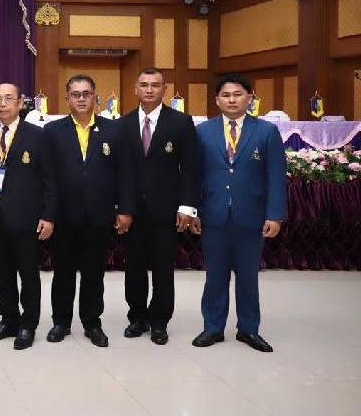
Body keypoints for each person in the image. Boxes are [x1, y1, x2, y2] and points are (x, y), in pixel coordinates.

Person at [191, 73, 286, 353]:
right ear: (217, 100)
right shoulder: (203, 131)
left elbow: (276, 177)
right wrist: (193, 211)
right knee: (215, 276)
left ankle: (248, 329)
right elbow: (195, 176)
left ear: (250, 98)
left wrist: (275, 214)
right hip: (213, 214)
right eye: (226, 95)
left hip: (252, 216)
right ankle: (212, 328)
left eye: (238, 94)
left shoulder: (266, 132)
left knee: (248, 276)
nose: (232, 100)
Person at [43, 74, 135, 348]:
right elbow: (47, 177)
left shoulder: (114, 130)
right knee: (63, 272)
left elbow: (125, 174)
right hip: (64, 216)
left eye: (86, 93)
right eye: (75, 94)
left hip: (99, 215)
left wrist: (125, 209)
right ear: (67, 97)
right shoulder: (53, 131)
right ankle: (61, 322)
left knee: (94, 273)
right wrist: (47, 212)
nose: (81, 98)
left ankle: (92, 322)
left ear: (96, 96)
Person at [118, 68, 200, 345]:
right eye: (144, 85)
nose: (149, 90)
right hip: (132, 211)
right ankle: (137, 317)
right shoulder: (124, 124)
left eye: (155, 85)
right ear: (135, 89)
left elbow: (190, 168)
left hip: (166, 210)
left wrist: (187, 207)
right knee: (134, 268)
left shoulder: (181, 122)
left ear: (164, 90)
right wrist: (122, 207)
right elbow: (121, 171)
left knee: (163, 268)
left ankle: (159, 321)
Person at [0, 83, 57, 350]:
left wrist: (49, 215)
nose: (3, 104)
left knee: (28, 272)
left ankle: (28, 324)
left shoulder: (38, 136)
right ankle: (9, 319)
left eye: (8, 99)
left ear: (21, 102)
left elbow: (51, 179)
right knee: (3, 272)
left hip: (27, 216)